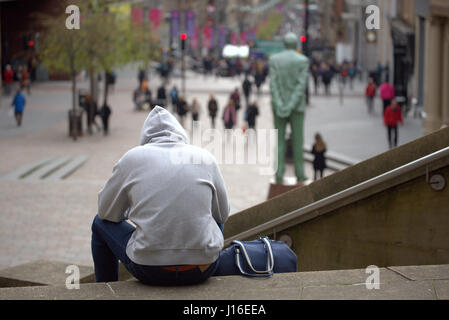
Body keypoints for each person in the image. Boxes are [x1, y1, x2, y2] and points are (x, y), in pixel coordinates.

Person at [91, 106, 230, 285]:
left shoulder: (132, 158)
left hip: (149, 269)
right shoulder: (205, 157)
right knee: (214, 211)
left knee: (98, 223)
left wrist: (130, 211)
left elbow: (105, 213)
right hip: (202, 268)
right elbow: (223, 215)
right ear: (181, 133)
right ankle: (202, 254)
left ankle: (105, 289)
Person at [269, 32, 309, 183]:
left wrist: (280, 104)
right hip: (297, 107)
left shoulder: (274, 60)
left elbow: (273, 84)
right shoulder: (302, 60)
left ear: (284, 44)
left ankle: (279, 173)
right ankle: (300, 173)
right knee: (298, 141)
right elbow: (301, 85)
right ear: (295, 45)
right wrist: (291, 104)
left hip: (279, 107)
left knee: (279, 141)